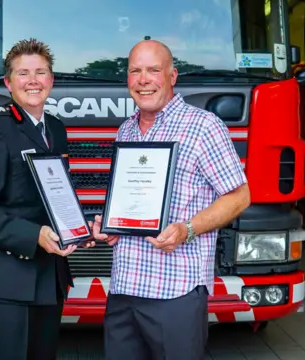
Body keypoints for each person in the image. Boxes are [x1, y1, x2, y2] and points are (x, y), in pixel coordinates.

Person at [92, 40, 251, 359]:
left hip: (175, 292)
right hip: (124, 288)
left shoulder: (203, 126)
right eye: (135, 71)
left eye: (153, 70)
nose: (143, 79)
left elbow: (239, 196)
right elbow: (131, 201)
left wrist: (187, 230)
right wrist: (112, 226)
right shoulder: (126, 131)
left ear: (172, 75)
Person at [0, 38, 94, 360]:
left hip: (48, 279)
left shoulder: (56, 129)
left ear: (51, 80)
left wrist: (77, 227)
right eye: (23, 73)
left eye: (40, 72)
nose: (33, 81)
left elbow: (53, 196)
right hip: (4, 283)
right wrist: (35, 235)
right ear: (8, 82)